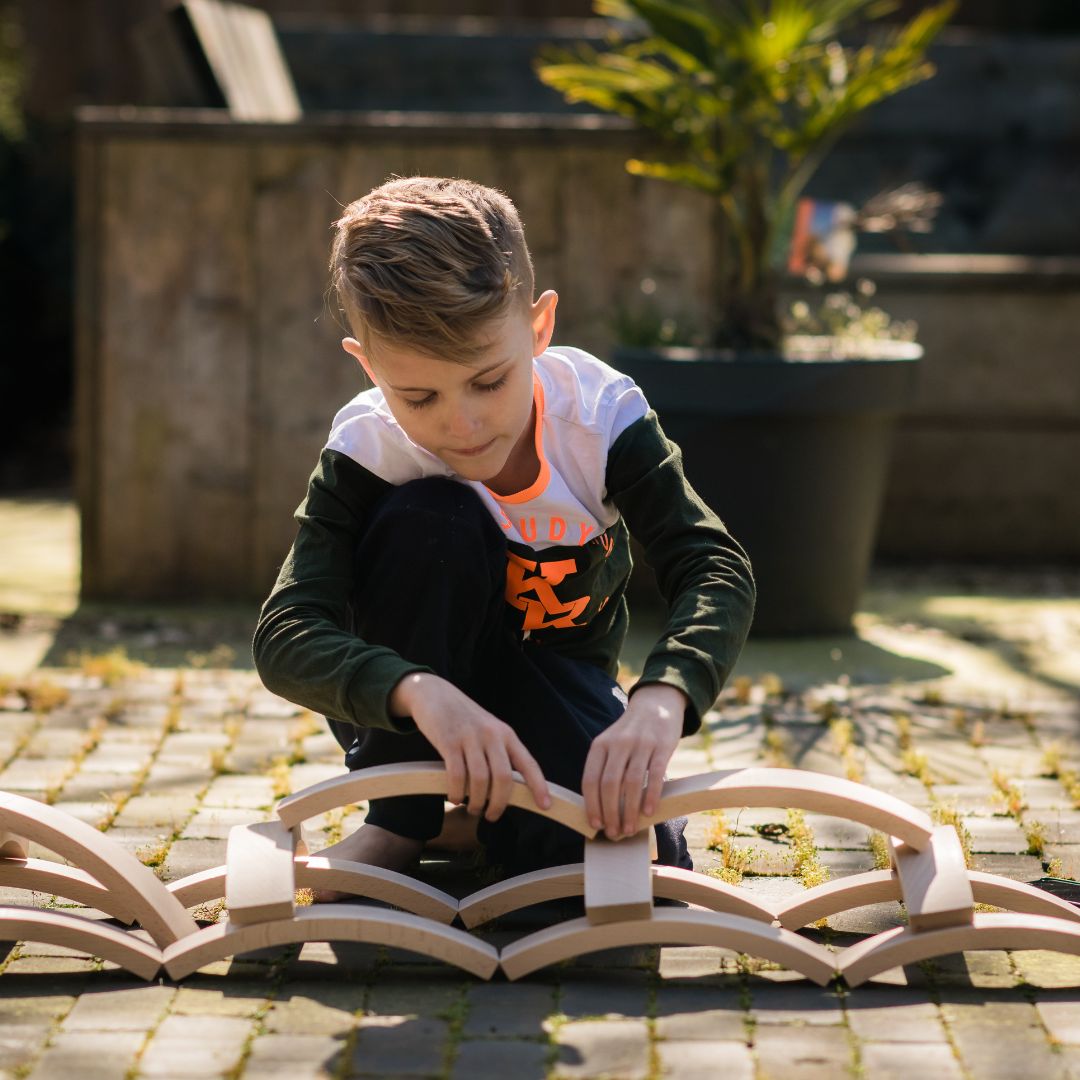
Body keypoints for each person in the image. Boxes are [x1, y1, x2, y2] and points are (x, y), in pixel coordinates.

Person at [253, 176, 755, 884]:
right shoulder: (368, 446)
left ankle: (483, 821)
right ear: (366, 365)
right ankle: (401, 820)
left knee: (614, 857)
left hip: (553, 682)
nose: (462, 423)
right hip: (412, 707)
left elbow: (712, 566)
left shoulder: (600, 418)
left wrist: (662, 699)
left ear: (539, 328)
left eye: (489, 381)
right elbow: (286, 633)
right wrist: (422, 692)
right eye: (419, 396)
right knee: (432, 518)